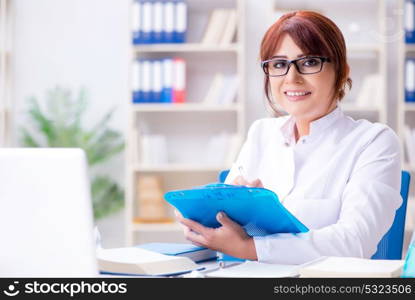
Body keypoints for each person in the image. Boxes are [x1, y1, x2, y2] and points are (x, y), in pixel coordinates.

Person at [176, 11, 402, 264]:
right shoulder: (261, 133)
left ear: (341, 70)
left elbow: (354, 241)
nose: (291, 78)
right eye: (279, 64)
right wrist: (209, 225)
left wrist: (250, 248)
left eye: (309, 62)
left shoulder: (374, 141)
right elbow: (226, 230)